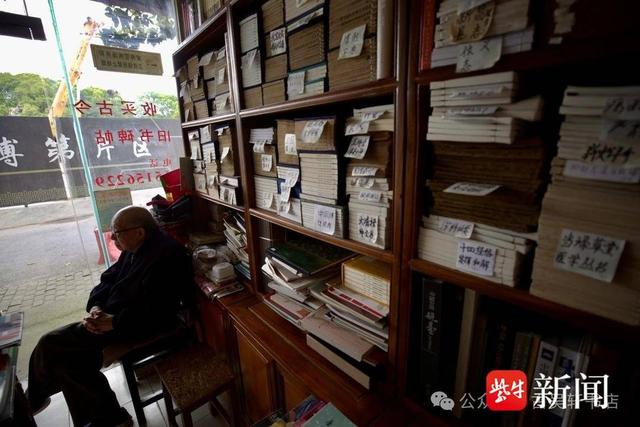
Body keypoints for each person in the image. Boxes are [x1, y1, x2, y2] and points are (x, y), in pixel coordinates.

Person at [27, 206, 192, 427]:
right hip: (111, 317)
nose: (113, 238)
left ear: (139, 232)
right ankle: (112, 419)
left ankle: (33, 401)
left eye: (117, 233)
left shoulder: (166, 255)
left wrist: (112, 323)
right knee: (67, 364)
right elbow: (108, 279)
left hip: (134, 325)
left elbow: (158, 311)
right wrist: (96, 306)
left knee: (50, 343)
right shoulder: (134, 247)